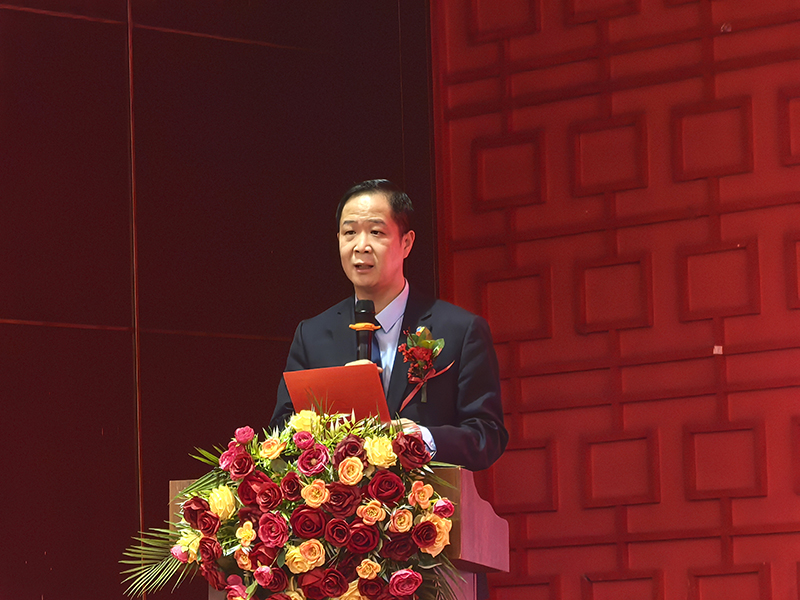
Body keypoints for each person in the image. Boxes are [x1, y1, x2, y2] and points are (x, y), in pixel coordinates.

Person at [270, 179, 507, 471]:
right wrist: (332, 425)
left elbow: (487, 436)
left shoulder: (460, 330)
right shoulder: (312, 335)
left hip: (428, 497)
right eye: (350, 233)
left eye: (376, 232)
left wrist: (421, 438)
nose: (361, 246)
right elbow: (281, 432)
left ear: (406, 243)